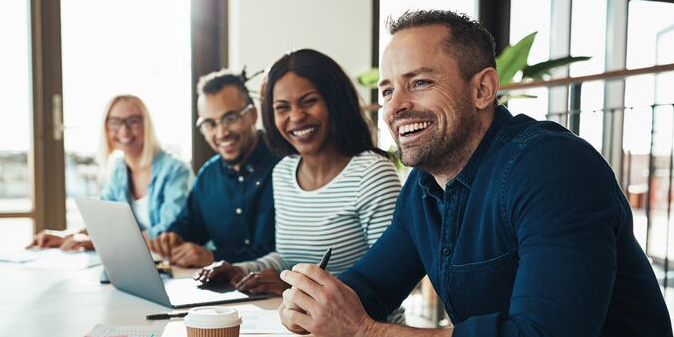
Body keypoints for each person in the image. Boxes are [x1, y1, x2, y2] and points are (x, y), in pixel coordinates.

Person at [276, 10, 674, 337]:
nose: (395, 107)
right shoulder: (423, 185)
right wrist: (313, 302)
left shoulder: (552, 167)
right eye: (388, 90)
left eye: (420, 83)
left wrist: (362, 334)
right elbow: (370, 286)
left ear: (483, 89)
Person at [197, 50, 400, 295]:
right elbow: (286, 259)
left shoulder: (372, 174)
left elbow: (389, 278)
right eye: (282, 108)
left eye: (309, 101)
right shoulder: (283, 172)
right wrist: (240, 270)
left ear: (334, 102)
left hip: (360, 331)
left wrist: (295, 285)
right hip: (294, 325)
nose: (296, 116)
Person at [136, 71, 282, 272]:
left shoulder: (286, 168)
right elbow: (190, 225)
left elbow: (283, 253)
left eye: (230, 118)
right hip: (221, 293)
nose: (221, 132)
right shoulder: (209, 175)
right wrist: (172, 238)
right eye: (210, 124)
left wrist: (214, 257)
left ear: (253, 115)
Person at [27, 94, 192, 249]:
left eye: (133, 121)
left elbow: (169, 232)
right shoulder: (119, 170)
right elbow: (104, 223)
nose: (124, 131)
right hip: (138, 262)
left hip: (177, 264)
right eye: (115, 122)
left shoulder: (175, 170)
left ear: (146, 124)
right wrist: (66, 235)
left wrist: (99, 243)